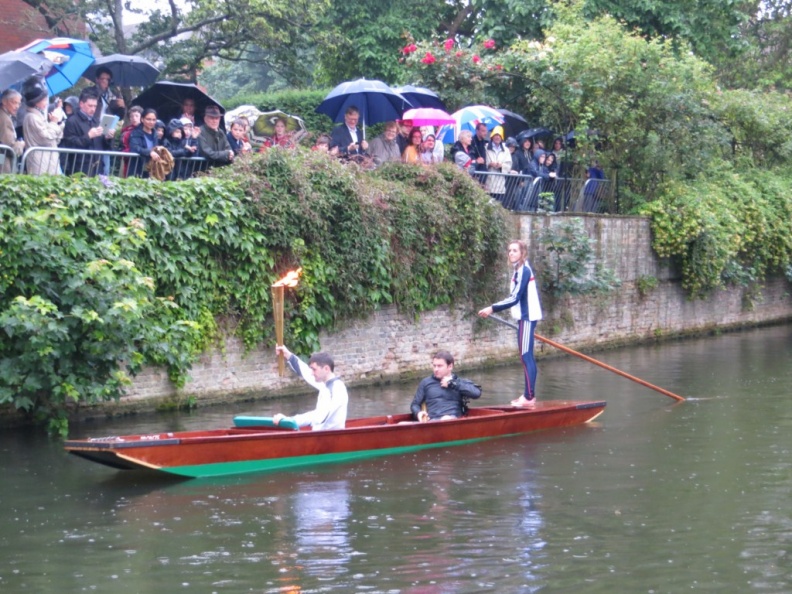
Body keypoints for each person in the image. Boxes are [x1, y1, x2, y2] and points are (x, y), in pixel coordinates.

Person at [478, 240, 543, 407]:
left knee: (526, 356)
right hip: (523, 319)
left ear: (522, 253)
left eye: (515, 250)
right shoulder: (518, 271)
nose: (511, 253)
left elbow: (515, 298)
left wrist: (492, 308)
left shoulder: (524, 271)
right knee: (524, 356)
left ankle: (529, 397)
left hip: (528, 318)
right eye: (509, 251)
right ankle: (528, 395)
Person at [272, 345, 348, 431]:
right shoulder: (324, 384)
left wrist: (290, 420)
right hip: (320, 437)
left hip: (330, 440)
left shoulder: (337, 389)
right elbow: (305, 372)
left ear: (326, 369)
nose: (311, 373)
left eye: (314, 370)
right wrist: (287, 354)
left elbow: (320, 417)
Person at [409, 351, 481, 422]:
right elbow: (415, 404)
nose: (436, 369)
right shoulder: (425, 382)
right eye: (434, 366)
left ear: (450, 366)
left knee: (446, 419)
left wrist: (452, 383)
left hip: (453, 421)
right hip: (432, 422)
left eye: (439, 366)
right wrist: (418, 413)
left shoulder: (458, 382)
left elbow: (476, 393)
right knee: (401, 423)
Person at [60, 88, 113, 176]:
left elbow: (103, 146)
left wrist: (108, 138)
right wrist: (88, 136)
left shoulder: (97, 121)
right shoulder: (72, 121)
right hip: (79, 168)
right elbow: (69, 145)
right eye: (90, 106)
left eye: (95, 106)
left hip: (97, 167)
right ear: (81, 104)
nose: (93, 109)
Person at [22, 81, 64, 175]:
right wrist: (53, 123)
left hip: (49, 161)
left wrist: (59, 123)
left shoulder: (39, 116)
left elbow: (55, 140)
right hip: (40, 163)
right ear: (36, 101)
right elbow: (46, 139)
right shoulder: (32, 117)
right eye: (44, 100)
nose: (46, 102)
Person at [128, 108, 162, 177]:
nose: (151, 122)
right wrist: (149, 152)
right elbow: (135, 147)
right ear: (142, 119)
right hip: (137, 167)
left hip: (151, 169)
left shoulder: (155, 133)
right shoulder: (136, 132)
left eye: (154, 120)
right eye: (148, 119)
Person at [485, 126, 512, 202]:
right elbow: (483, 163)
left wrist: (501, 166)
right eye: (496, 135)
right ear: (492, 136)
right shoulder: (486, 148)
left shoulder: (506, 150)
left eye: (499, 135)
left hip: (500, 184)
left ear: (502, 137)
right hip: (488, 182)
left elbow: (509, 165)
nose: (497, 137)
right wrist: (489, 164)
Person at [0, 89, 25, 173]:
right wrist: (20, 144)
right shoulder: (4, 119)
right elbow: (10, 149)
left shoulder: (5, 116)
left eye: (19, 103)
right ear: (4, 102)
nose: (17, 106)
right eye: (14, 102)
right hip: (3, 163)